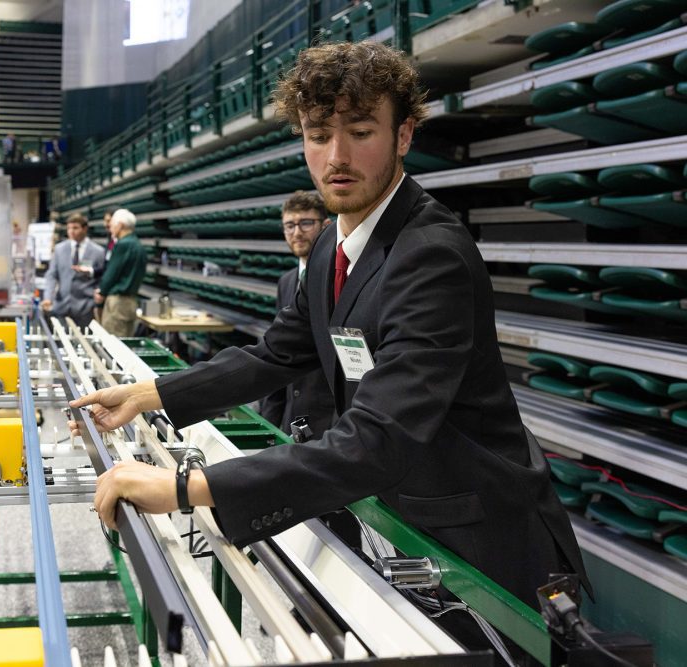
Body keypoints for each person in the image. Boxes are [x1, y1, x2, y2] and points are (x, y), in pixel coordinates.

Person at [74, 42, 589, 615]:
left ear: (404, 136)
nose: (337, 156)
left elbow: (377, 439)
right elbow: (276, 354)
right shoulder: (330, 244)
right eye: (319, 135)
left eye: (361, 131)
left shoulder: (431, 255)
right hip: (397, 512)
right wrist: (145, 397)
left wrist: (181, 488)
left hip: (476, 543)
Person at [259, 190, 336, 439]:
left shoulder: (340, 277)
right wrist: (269, 425)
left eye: (305, 223)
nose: (297, 232)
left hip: (330, 421)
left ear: (326, 225)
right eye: (289, 225)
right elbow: (280, 350)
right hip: (292, 418)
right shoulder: (287, 281)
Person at [41, 213, 106, 328]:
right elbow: (51, 275)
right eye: (69, 228)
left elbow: (101, 277)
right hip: (62, 305)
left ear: (85, 229)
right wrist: (48, 297)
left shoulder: (98, 252)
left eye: (75, 228)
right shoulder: (59, 249)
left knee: (84, 342)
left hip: (85, 307)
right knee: (60, 342)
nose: (71, 231)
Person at [95, 208, 147, 337]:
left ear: (120, 225)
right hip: (131, 301)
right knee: (126, 343)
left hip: (117, 302)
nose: (110, 229)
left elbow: (112, 272)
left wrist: (102, 291)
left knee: (112, 344)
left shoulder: (122, 245)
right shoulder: (138, 245)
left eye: (112, 225)